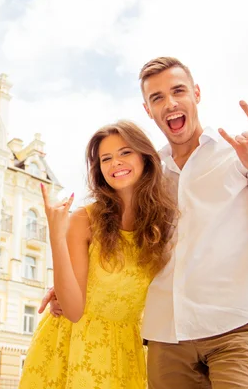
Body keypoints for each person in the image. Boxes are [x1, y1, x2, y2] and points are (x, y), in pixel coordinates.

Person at [42, 57, 248, 389]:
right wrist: (68, 288)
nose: (170, 103)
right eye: (157, 98)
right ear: (148, 110)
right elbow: (117, 242)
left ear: (196, 93)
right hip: (166, 339)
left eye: (178, 91)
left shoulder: (242, 154)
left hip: (237, 330)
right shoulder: (148, 171)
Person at [18, 120, 177, 388]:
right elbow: (73, 311)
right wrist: (56, 237)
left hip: (129, 348)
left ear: (144, 157)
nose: (115, 163)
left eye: (125, 152)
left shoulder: (161, 223)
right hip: (74, 345)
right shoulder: (84, 220)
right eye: (106, 158)